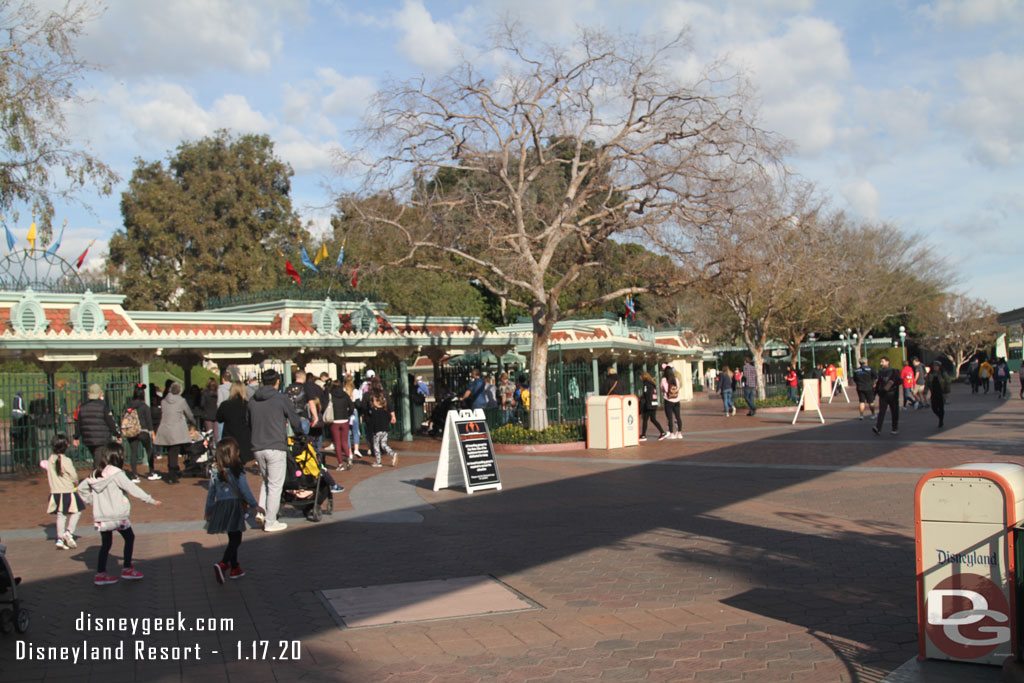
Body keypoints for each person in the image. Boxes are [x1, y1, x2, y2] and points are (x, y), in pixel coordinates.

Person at [78, 443, 162, 585]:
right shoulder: (117, 473)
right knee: (129, 538)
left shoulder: (95, 474)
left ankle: (100, 573)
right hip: (117, 516)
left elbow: (81, 488)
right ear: (118, 457)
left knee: (106, 544)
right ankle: (127, 568)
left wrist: (92, 501)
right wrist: (150, 500)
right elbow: (132, 488)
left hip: (102, 516)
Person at [248, 369, 303, 532]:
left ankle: (262, 510)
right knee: (275, 484)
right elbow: (294, 419)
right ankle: (270, 521)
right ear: (277, 381)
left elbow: (247, 421)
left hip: (258, 445)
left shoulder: (252, 400)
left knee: (266, 481)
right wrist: (300, 434)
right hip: (275, 445)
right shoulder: (281, 399)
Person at [205, 438, 263, 584]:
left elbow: (211, 493)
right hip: (234, 506)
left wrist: (209, 510)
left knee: (232, 537)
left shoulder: (215, 470)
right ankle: (223, 563)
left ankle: (235, 567)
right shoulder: (238, 469)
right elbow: (244, 489)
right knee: (236, 539)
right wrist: (254, 504)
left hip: (221, 506)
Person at [46, 434, 85, 551]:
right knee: (77, 511)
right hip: (67, 491)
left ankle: (60, 538)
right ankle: (68, 532)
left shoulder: (50, 460)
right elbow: (74, 475)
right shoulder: (66, 460)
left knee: (61, 515)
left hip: (55, 492)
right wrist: (76, 482)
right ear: (66, 446)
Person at [153, 382, 196, 484]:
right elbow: (189, 413)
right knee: (174, 452)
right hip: (177, 430)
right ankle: (172, 475)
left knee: (170, 452)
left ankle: (173, 470)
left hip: (166, 428)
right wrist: (193, 422)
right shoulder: (181, 401)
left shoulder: (164, 401)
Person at [74, 383, 119, 462]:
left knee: (97, 458)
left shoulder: (82, 407)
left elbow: (78, 423)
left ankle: (98, 472)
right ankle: (98, 474)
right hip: (102, 438)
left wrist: (76, 437)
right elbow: (110, 422)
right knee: (100, 461)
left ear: (89, 394)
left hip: (88, 438)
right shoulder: (103, 406)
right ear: (100, 394)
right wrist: (117, 434)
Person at [123, 385, 155, 483]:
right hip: (143, 431)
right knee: (149, 450)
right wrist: (152, 432)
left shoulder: (128, 406)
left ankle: (134, 474)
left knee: (134, 453)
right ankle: (151, 472)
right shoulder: (144, 406)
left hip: (132, 431)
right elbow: (149, 421)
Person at [362, 376, 397, 467]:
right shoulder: (384, 393)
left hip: (374, 423)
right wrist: (393, 415)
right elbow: (390, 405)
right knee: (383, 442)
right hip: (384, 421)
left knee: (376, 443)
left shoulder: (368, 395)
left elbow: (364, 407)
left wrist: (365, 416)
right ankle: (392, 453)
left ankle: (378, 461)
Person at [216, 381, 252, 465]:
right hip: (244, 438)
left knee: (229, 463)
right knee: (241, 464)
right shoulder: (247, 405)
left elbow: (219, 418)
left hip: (229, 437)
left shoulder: (225, 405)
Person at [329, 379, 355, 469]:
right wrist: (348, 414)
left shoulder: (331, 395)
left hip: (334, 420)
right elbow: (352, 406)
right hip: (344, 420)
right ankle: (348, 457)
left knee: (337, 443)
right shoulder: (345, 395)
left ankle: (340, 464)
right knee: (344, 441)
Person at [873, 357, 901, 435]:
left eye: (882, 361)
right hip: (883, 394)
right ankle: (878, 428)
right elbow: (878, 383)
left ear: (887, 362)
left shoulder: (894, 371)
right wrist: (875, 392)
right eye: (880, 362)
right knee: (882, 411)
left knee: (894, 411)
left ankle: (894, 428)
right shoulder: (881, 372)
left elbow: (899, 381)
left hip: (892, 394)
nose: (881, 363)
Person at [638, 371, 666, 440]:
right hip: (654, 404)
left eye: (640, 377)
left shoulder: (646, 384)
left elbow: (646, 394)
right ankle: (662, 432)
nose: (640, 379)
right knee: (653, 419)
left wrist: (642, 401)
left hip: (649, 405)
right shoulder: (652, 384)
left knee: (645, 419)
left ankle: (643, 435)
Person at [660, 365, 682, 438]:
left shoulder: (664, 380)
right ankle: (679, 433)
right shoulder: (676, 379)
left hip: (668, 400)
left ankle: (671, 433)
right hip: (677, 400)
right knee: (678, 416)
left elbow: (662, 389)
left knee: (669, 417)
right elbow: (678, 387)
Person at [200, 378, 219, 447]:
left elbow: (202, 404)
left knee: (209, 434)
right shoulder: (218, 393)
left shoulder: (205, 393)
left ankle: (210, 450)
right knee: (216, 435)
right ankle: (217, 449)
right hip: (216, 415)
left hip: (207, 415)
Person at [349, 374, 364, 458]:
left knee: (348, 433)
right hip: (354, 411)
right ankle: (356, 449)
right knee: (355, 430)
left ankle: (349, 451)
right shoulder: (355, 391)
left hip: (346, 412)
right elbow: (358, 404)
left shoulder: (343, 390)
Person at [928, 361, 946, 428]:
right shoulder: (930, 374)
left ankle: (941, 420)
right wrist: (925, 391)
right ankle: (939, 416)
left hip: (941, 392)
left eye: (936, 366)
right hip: (933, 392)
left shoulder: (942, 374)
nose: (935, 367)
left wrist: (947, 392)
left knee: (941, 407)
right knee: (934, 407)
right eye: (934, 366)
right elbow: (927, 383)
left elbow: (947, 382)